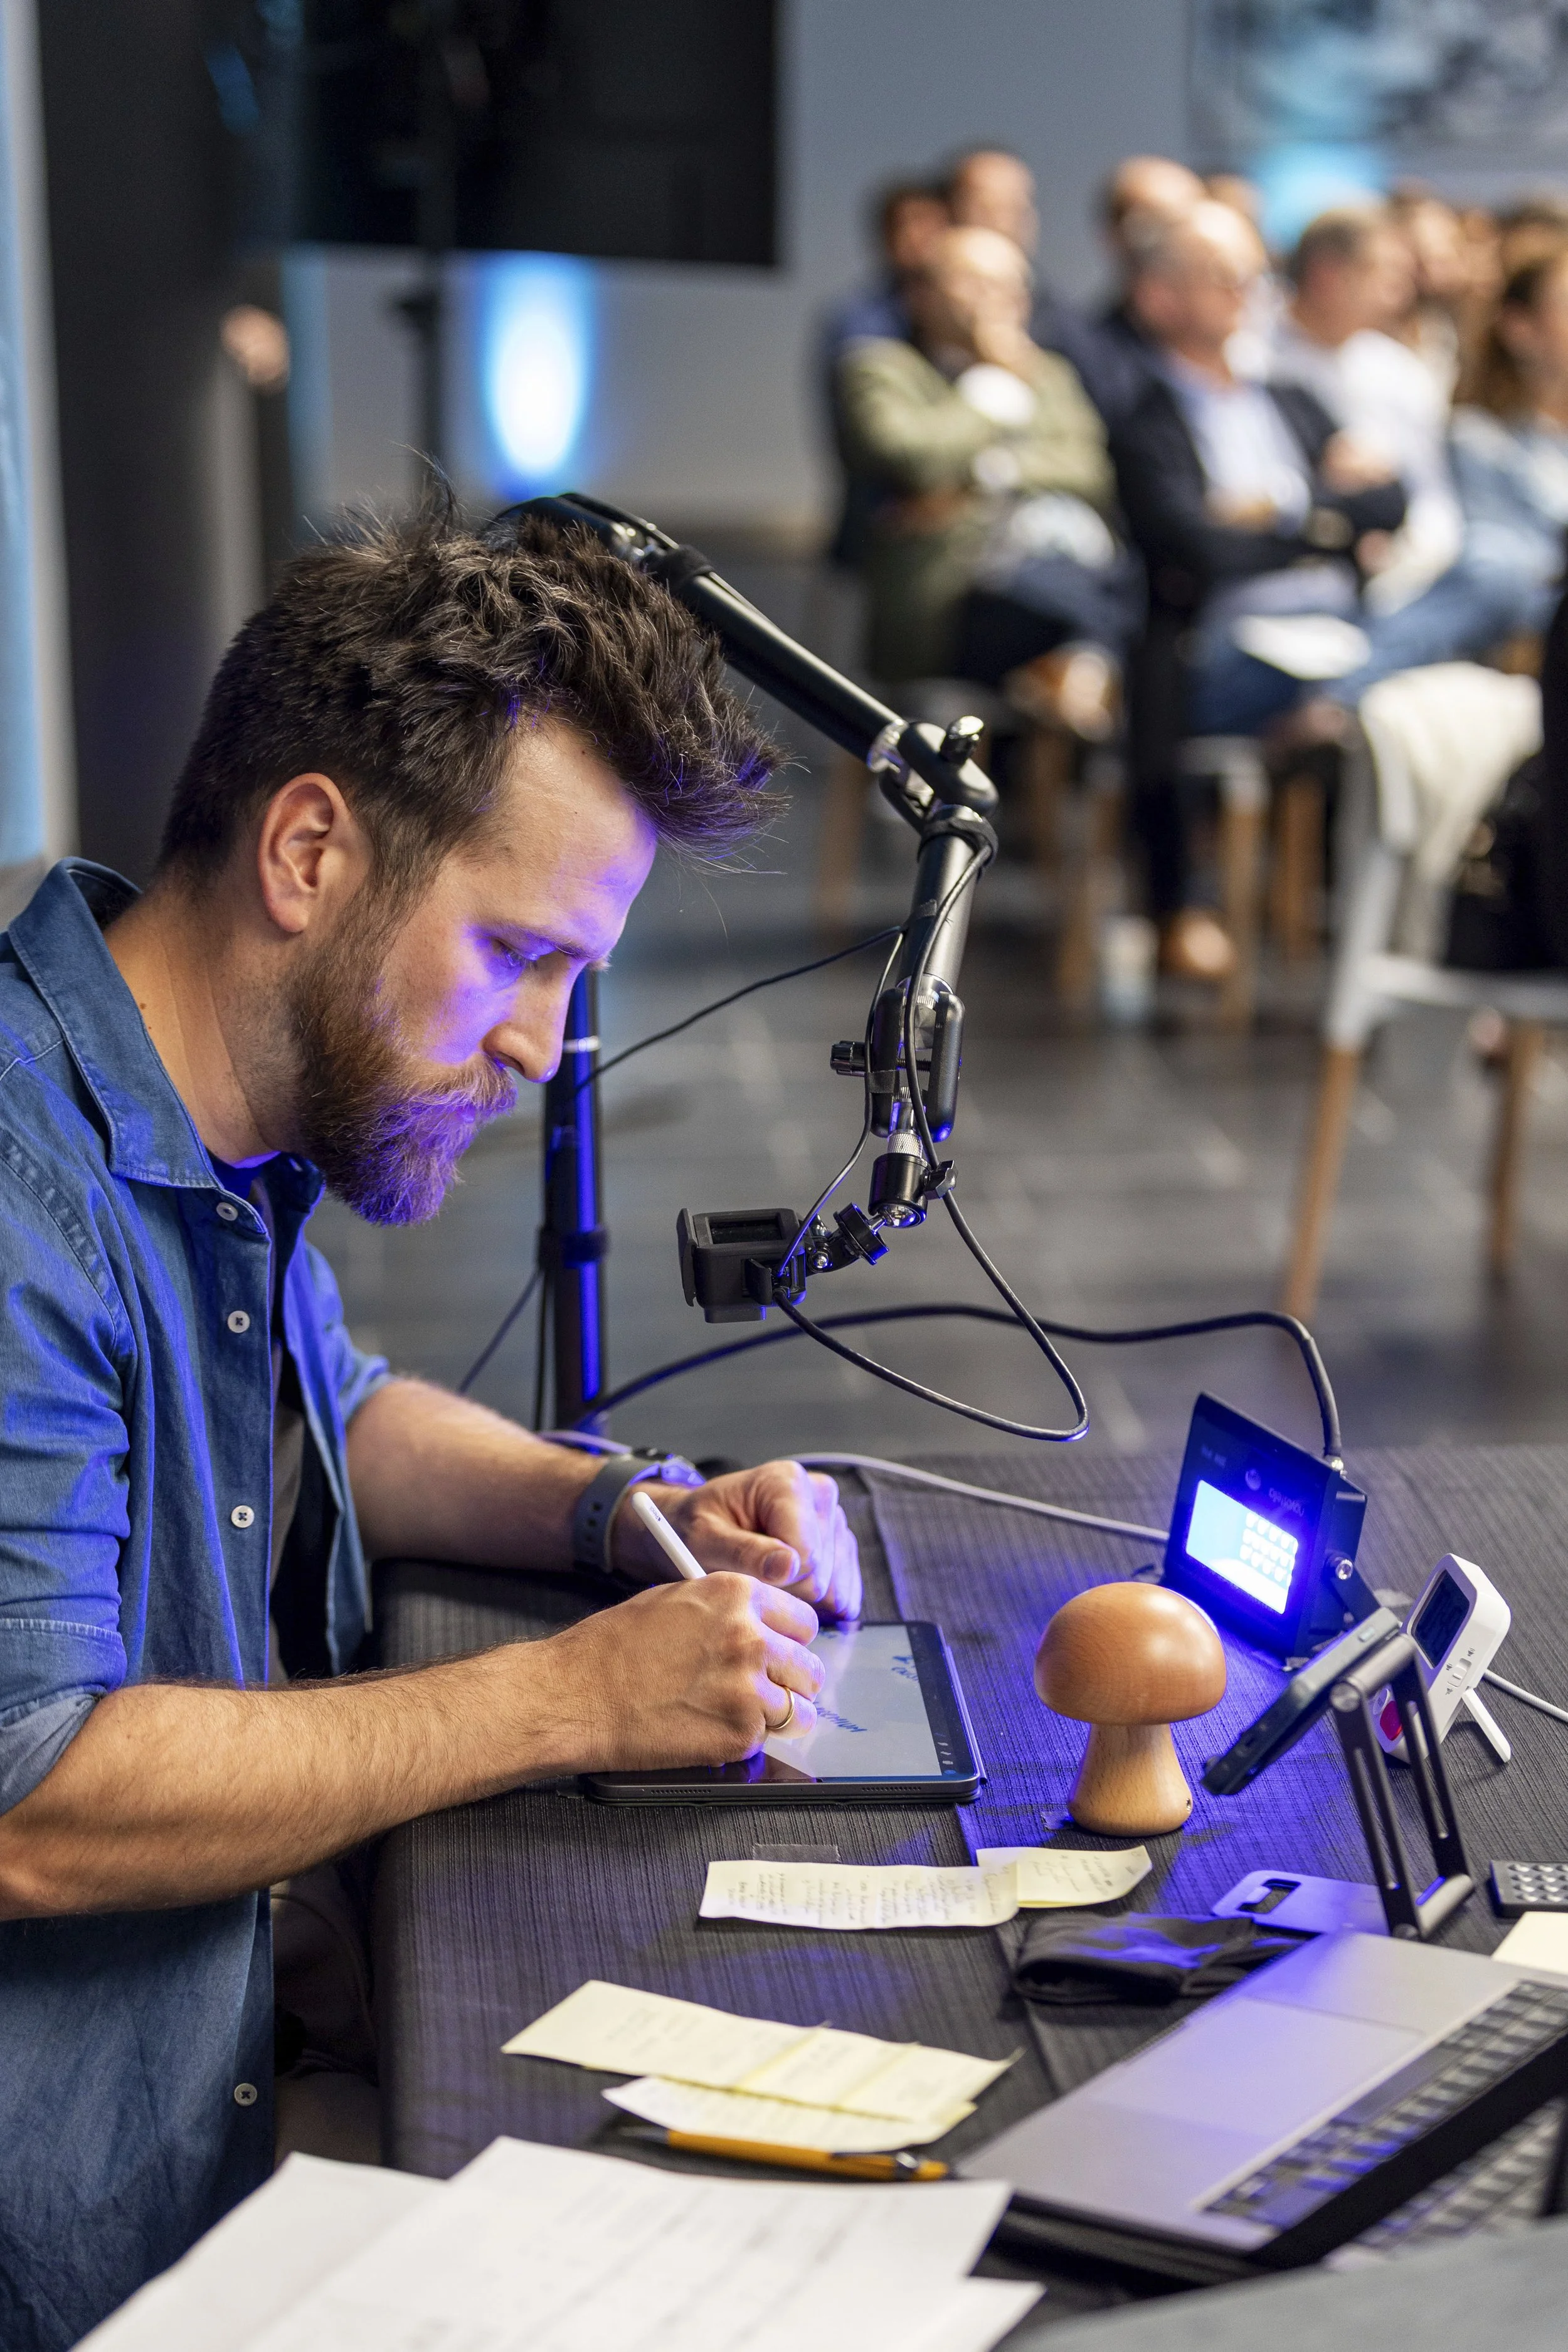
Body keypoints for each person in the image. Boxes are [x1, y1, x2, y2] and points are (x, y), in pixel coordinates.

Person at [0, 511, 862, 2351]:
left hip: (252, 2062)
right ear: (310, 848)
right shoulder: (17, 1196)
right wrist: (565, 1699)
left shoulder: (201, 1105)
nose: (547, 1046)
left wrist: (630, 1510)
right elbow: (31, 1803)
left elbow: (341, 1413)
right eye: (516, 953)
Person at [1110, 203, 1407, 976]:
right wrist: (1325, 517)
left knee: (1438, 646)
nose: (1245, 291)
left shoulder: (1290, 396)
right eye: (1221, 277)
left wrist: (1278, 510)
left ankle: (1334, 705)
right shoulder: (1145, 413)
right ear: (1161, 295)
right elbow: (1193, 547)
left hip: (1338, 625)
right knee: (1387, 683)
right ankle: (1331, 706)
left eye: (1251, 274)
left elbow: (1389, 500)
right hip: (1223, 650)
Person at [834, 223, 1135, 722]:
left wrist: (984, 479)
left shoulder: (1049, 374)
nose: (996, 300)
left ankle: (1070, 672)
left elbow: (1089, 471)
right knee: (1102, 596)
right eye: (974, 282)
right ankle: (1083, 670)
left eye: (1012, 286)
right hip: (949, 600)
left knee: (1090, 577)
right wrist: (991, 381)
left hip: (1055, 570)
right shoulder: (881, 369)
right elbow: (913, 458)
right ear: (922, 294)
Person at [1269, 206, 1463, 610]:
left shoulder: (1401, 370)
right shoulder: (1249, 361)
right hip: (1297, 566)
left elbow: (1433, 497)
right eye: (1384, 273)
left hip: (1402, 571)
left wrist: (1406, 562)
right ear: (1328, 276)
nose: (1400, 292)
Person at [821, 179, 950, 569]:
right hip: (879, 518)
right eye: (905, 226)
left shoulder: (954, 311)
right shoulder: (859, 321)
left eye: (930, 225)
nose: (918, 238)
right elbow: (870, 438)